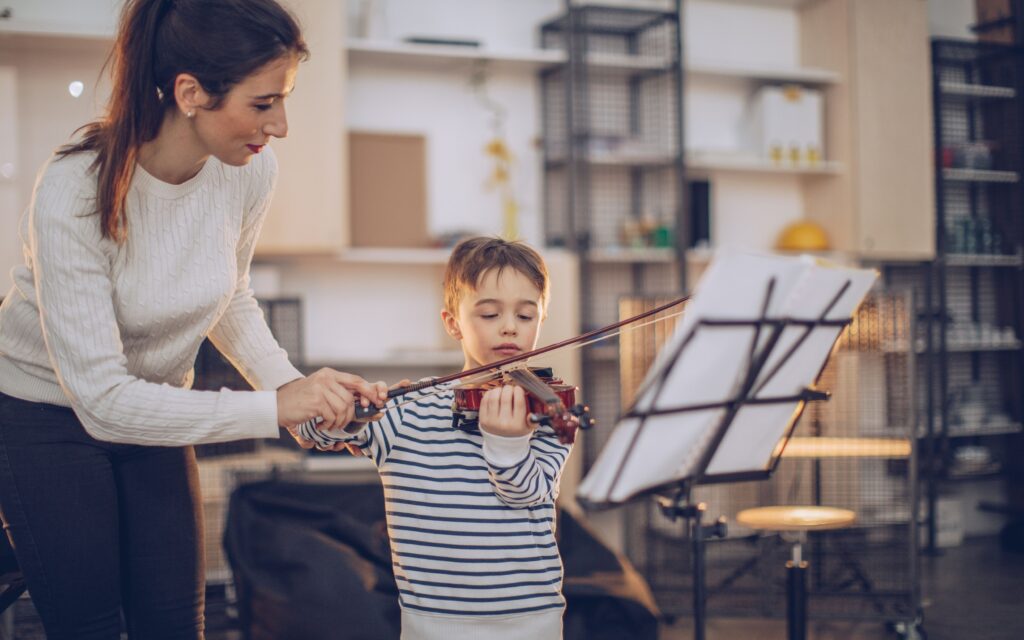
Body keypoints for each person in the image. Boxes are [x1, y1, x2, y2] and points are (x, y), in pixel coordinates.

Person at [0, 0, 384, 637]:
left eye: (284, 100)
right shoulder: (74, 189)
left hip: (153, 411)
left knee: (177, 621)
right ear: (190, 92)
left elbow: (228, 293)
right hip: (47, 416)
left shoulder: (249, 170)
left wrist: (289, 386)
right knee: (91, 624)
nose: (281, 125)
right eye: (264, 103)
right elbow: (101, 402)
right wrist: (272, 410)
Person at [299, 236, 574, 640]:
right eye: (490, 314)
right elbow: (311, 432)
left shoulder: (546, 413)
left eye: (526, 315)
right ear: (452, 323)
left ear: (541, 321)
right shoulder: (408, 411)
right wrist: (357, 412)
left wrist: (508, 442)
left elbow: (526, 492)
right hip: (432, 626)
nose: (510, 327)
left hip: (530, 622)